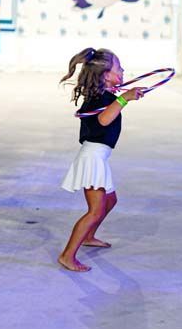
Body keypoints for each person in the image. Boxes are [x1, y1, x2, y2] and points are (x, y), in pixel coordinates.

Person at [57, 48, 145, 272]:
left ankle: (89, 236)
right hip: (92, 158)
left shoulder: (104, 97)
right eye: (119, 68)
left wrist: (121, 97)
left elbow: (107, 112)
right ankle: (67, 255)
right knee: (95, 210)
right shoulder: (100, 99)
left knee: (110, 201)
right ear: (106, 74)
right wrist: (125, 98)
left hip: (99, 157)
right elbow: (104, 120)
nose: (123, 71)